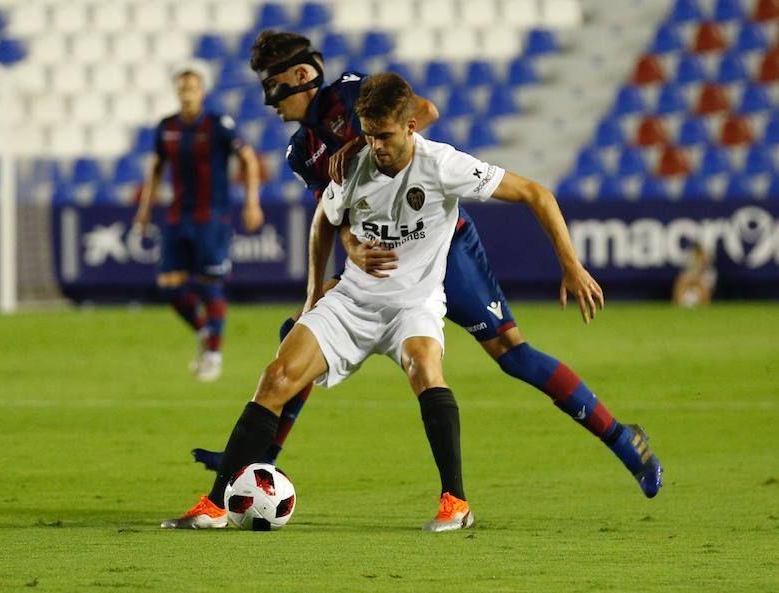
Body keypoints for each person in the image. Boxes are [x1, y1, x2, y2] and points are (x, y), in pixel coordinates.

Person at [194, 32, 663, 500]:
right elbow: (332, 213)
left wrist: (361, 143)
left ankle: (624, 439)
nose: (268, 101)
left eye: (273, 86)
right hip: (382, 253)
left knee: (512, 354)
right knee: (299, 329)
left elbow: (427, 112)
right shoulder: (302, 152)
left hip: (443, 246)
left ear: (301, 75)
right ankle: (260, 458)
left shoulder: (355, 91)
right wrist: (352, 247)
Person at [163, 73, 506, 532]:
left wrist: (571, 265)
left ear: (409, 126)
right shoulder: (352, 164)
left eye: (382, 134)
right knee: (277, 376)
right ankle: (215, 505)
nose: (374, 144)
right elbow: (323, 221)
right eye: (367, 134)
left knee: (425, 368)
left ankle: (455, 503)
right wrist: (312, 296)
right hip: (353, 299)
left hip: (413, 304)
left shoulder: (442, 164)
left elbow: (535, 194)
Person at [134, 60, 264, 382]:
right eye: (182, 89)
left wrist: (251, 202)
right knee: (169, 286)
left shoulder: (218, 123)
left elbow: (247, 158)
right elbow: (156, 167)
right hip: (178, 216)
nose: (187, 94)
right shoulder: (167, 127)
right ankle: (207, 332)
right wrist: (145, 208)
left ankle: (214, 356)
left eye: (192, 88)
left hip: (212, 217)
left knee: (210, 286)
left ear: (202, 92)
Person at [672, 242, 716, 307]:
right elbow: (682, 282)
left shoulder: (710, 272)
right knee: (682, 281)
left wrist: (696, 280)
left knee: (703, 285)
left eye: (700, 255)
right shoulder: (689, 268)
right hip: (686, 297)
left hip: (699, 299)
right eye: (697, 255)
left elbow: (707, 292)